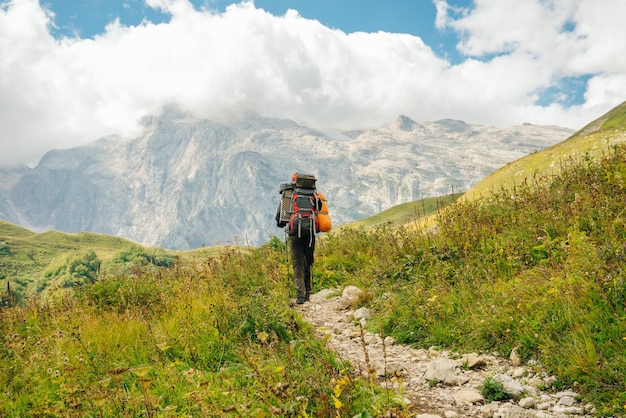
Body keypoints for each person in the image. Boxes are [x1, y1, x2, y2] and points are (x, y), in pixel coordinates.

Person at [276, 175, 322, 304]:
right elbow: (319, 210)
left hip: (294, 234)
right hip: (310, 234)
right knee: (308, 262)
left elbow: (280, 220)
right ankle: (308, 293)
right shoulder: (314, 195)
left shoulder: (289, 196)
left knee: (297, 264)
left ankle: (300, 296)